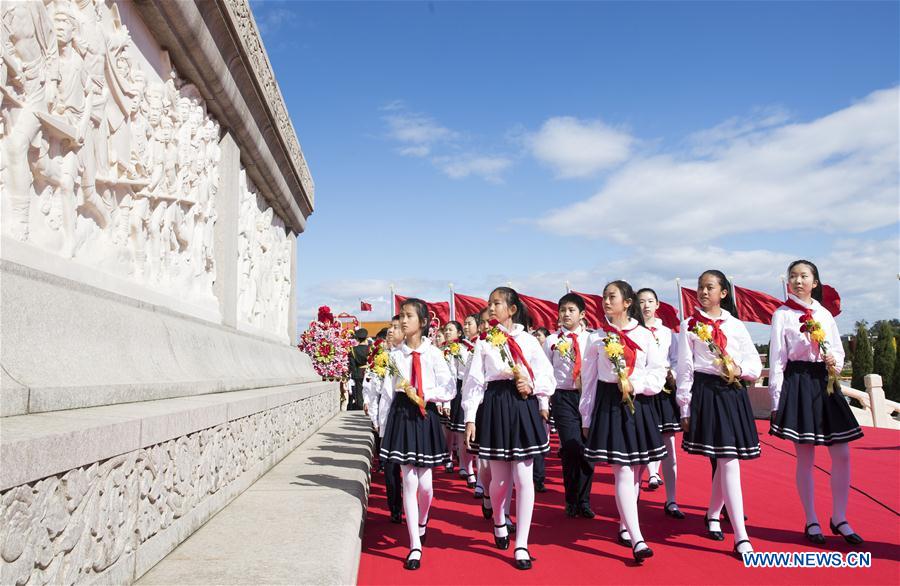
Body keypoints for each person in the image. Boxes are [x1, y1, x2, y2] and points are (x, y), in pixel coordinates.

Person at [769, 260, 864, 545]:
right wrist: (776, 399)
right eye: (793, 276)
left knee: (843, 453)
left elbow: (837, 349)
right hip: (798, 382)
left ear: (815, 282)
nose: (798, 281)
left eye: (804, 276)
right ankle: (811, 519)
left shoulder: (824, 314)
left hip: (825, 383)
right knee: (806, 457)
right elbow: (777, 359)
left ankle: (839, 517)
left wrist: (835, 363)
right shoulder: (782, 315)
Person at [463, 287, 555, 570]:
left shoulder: (527, 340)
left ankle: (523, 544)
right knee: (500, 480)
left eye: (497, 303)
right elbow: (475, 382)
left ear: (512, 309)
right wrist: (470, 417)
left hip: (522, 405)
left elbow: (546, 376)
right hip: (495, 405)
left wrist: (533, 387)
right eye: (489, 304)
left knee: (525, 477)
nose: (491, 308)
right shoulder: (483, 343)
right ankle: (500, 518)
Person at [677, 270, 762, 558]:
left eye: (709, 287)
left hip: (732, 392)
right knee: (727, 459)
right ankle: (741, 536)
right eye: (700, 287)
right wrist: (684, 406)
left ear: (723, 293)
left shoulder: (736, 325)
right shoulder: (689, 325)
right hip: (706, 393)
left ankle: (714, 514)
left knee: (728, 458)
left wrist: (740, 369)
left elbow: (752, 360)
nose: (702, 292)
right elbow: (685, 369)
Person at [580, 281, 667, 563]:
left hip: (638, 405)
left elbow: (658, 372)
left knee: (638, 468)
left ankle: (624, 524)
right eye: (604, 296)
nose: (606, 301)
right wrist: (586, 415)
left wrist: (635, 384)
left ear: (627, 302)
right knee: (623, 470)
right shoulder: (596, 338)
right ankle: (638, 538)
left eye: (612, 297)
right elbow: (589, 381)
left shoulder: (644, 335)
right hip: (609, 404)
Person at [378, 299, 456, 570]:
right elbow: (387, 392)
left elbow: (449, 387)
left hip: (425, 415)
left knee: (426, 485)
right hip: (402, 415)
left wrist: (427, 394)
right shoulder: (394, 355)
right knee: (408, 481)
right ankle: (414, 544)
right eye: (402, 316)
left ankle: (423, 519)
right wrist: (383, 426)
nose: (404, 320)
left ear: (423, 322)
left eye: (409, 316)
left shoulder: (434, 354)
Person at [544, 293, 595, 517]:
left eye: (571, 310)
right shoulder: (551, 340)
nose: (566, 314)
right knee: (571, 447)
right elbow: (545, 372)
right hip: (563, 397)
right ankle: (571, 498)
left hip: (588, 396)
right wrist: (544, 401)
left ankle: (584, 500)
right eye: (562, 309)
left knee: (587, 449)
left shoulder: (593, 339)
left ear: (582, 314)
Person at [637, 288, 685, 519]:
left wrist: (672, 373)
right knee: (639, 447)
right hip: (642, 392)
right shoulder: (633, 332)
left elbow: (677, 360)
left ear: (657, 304)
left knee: (669, 448)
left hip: (663, 393)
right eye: (641, 301)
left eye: (650, 301)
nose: (646, 305)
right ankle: (632, 498)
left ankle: (672, 499)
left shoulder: (668, 333)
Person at [366, 317, 405, 523]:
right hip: (387, 417)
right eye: (390, 328)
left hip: (407, 418)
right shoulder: (380, 359)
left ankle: (409, 503)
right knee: (390, 466)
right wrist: (374, 415)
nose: (391, 332)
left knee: (408, 468)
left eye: (396, 328)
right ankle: (395, 507)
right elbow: (372, 390)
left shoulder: (411, 356)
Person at [444, 321, 476, 485]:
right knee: (461, 430)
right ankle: (466, 466)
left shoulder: (478, 344)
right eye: (446, 330)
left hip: (479, 389)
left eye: (451, 329)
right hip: (459, 388)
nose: (447, 332)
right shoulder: (453, 349)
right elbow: (451, 374)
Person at [348, 328, 370, 410]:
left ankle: (361, 407)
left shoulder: (353, 350)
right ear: (366, 337)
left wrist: (354, 375)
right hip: (370, 372)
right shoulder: (370, 348)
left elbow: (352, 365)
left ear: (357, 338)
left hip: (359, 373)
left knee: (359, 392)